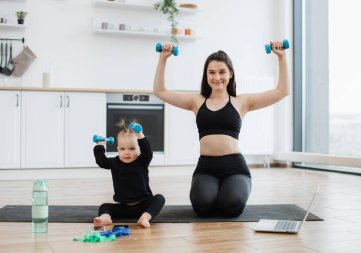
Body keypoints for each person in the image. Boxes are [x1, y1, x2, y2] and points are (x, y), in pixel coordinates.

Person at [153, 42, 289, 217]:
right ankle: (214, 193)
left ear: (230, 74)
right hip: (206, 167)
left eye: (222, 72)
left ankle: (228, 192)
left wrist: (282, 57)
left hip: (235, 168)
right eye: (212, 72)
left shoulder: (242, 102)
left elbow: (282, 91)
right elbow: (160, 91)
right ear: (206, 75)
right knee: (202, 207)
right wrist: (163, 59)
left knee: (231, 206)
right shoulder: (196, 101)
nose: (217, 77)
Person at [92, 119, 165, 228]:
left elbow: (148, 151)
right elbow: (101, 161)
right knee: (104, 206)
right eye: (122, 149)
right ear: (118, 149)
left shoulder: (142, 161)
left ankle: (145, 217)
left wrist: (139, 134)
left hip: (143, 205)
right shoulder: (114, 162)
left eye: (131, 148)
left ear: (138, 150)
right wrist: (100, 146)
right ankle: (105, 218)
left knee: (159, 198)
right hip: (124, 207)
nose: (127, 152)